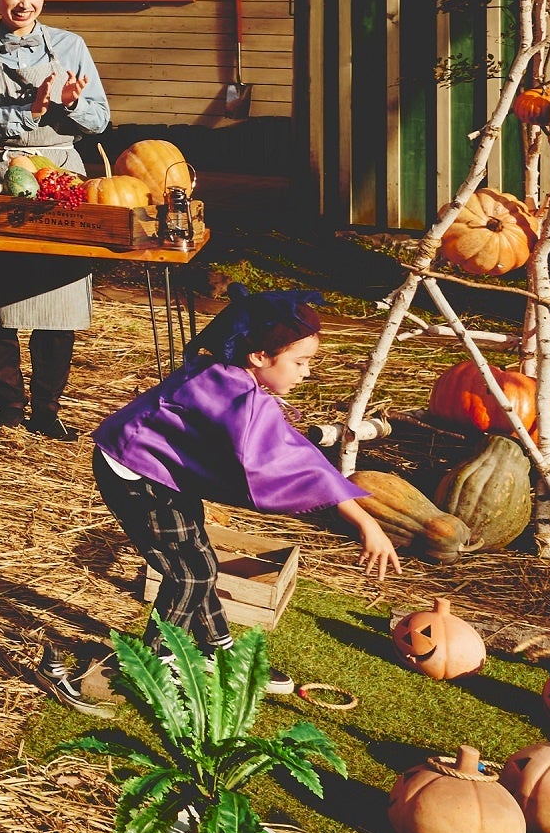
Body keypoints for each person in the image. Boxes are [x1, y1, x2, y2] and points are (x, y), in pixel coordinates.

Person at [42, 287, 401, 712]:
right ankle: (151, 664)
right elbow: (282, 463)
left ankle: (216, 649)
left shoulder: (231, 378)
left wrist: (359, 516)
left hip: (161, 474)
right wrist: (364, 521)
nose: (306, 373)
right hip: (135, 475)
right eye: (300, 362)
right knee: (189, 575)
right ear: (259, 357)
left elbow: (291, 453)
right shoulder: (230, 394)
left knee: (200, 563)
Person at [0, 0, 111, 436]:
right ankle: (8, 407)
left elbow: (100, 119)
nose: (26, 4)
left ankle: (46, 411)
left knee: (59, 294)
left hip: (62, 174)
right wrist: (31, 110)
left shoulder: (70, 45)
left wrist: (72, 105)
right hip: (0, 174)